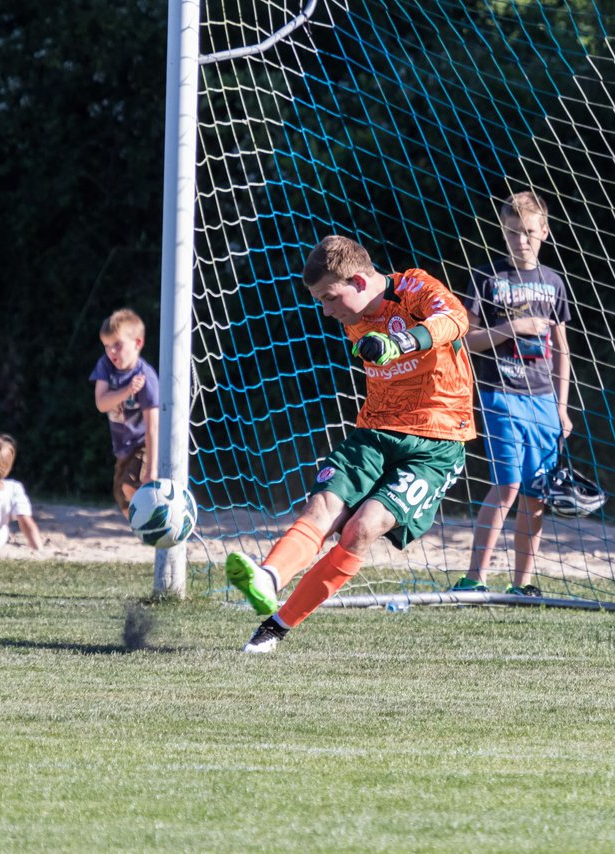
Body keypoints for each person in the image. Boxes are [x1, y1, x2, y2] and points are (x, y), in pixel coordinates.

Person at [226, 235, 476, 653]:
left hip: (438, 439)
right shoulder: (352, 314)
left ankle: (276, 627)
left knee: (363, 528)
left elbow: (456, 319)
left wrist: (401, 342)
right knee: (323, 505)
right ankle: (268, 577)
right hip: (375, 431)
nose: (326, 310)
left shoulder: (411, 288)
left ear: (360, 281)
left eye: (329, 297)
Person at [449, 191, 573, 597]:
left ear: (545, 233)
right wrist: (513, 329)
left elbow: (562, 350)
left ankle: (523, 584)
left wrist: (562, 408)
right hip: (499, 393)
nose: (522, 240)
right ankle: (475, 578)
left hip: (542, 402)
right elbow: (466, 340)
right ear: (504, 233)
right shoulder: (487, 278)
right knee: (507, 486)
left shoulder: (554, 283)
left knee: (537, 495)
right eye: (514, 232)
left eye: (530, 232)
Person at [90, 308, 160, 517]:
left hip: (143, 445)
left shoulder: (146, 378)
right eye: (107, 346)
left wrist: (152, 469)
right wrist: (127, 390)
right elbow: (101, 403)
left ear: (138, 343)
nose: (111, 352)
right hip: (123, 447)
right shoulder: (106, 366)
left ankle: (158, 523)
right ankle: (145, 532)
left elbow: (153, 427)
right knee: (123, 500)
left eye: (117, 345)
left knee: (131, 486)